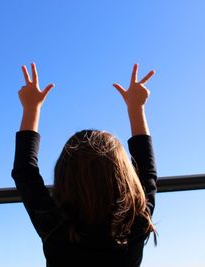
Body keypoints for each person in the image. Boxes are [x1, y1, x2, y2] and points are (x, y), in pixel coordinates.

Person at [11, 62, 158, 267]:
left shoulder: (55, 226)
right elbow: (147, 171)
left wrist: (31, 108)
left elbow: (25, 172)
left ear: (64, 178)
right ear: (125, 176)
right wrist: (136, 107)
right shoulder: (136, 221)